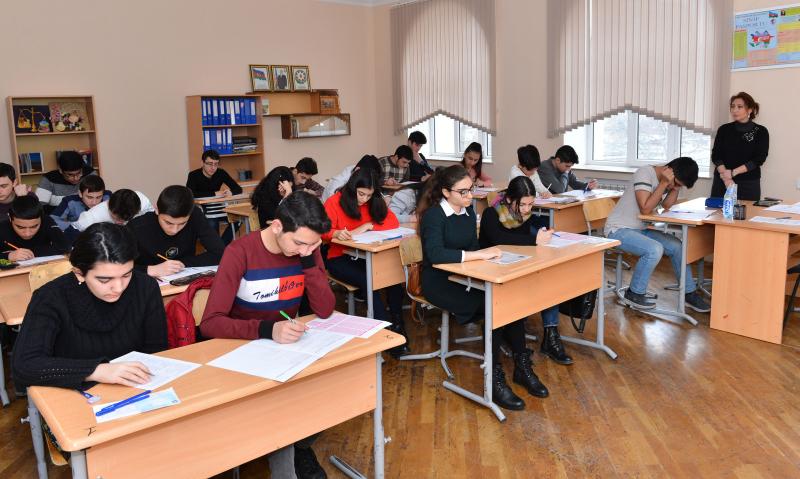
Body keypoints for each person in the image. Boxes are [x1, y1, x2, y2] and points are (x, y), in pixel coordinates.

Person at [200, 191, 334, 479]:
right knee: (281, 406)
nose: (304, 250)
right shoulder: (240, 252)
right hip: (242, 352)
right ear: (276, 226)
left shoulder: (307, 251)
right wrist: (266, 329)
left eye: (312, 245)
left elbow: (324, 309)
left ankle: (298, 446)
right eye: (299, 243)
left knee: (330, 390)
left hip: (285, 351)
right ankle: (289, 456)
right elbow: (210, 323)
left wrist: (310, 263)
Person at [417, 165, 548, 411]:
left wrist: (490, 261)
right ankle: (494, 378)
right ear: (446, 192)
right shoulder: (435, 216)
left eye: (471, 189)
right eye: (463, 192)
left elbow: (473, 247)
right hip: (439, 282)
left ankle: (522, 366)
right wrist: (478, 256)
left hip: (464, 276)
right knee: (494, 306)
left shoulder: (467, 212)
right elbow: (435, 255)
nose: (470, 196)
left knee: (508, 298)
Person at [12, 222, 167, 391]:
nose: (118, 287)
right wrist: (95, 371)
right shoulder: (50, 297)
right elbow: (24, 365)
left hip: (135, 388)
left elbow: (157, 350)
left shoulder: (146, 287)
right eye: (104, 280)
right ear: (79, 273)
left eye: (126, 275)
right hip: (72, 392)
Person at [479, 176, 572, 365]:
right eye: (522, 204)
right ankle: (509, 335)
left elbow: (522, 245)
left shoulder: (524, 216)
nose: (527, 209)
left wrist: (541, 239)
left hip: (517, 266)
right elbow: (499, 239)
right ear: (509, 199)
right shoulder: (491, 214)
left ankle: (550, 334)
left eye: (530, 204)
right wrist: (534, 240)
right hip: (491, 273)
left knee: (550, 282)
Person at [604, 157, 710, 312]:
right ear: (670, 171)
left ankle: (689, 293)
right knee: (654, 249)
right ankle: (634, 293)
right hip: (618, 229)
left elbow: (666, 205)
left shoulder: (668, 182)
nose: (675, 187)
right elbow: (645, 208)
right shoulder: (644, 173)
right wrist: (664, 183)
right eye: (677, 183)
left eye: (679, 186)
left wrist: (674, 187)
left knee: (677, 246)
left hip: (640, 229)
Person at [322, 168, 408, 356]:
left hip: (366, 256)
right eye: (361, 194)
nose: (364, 199)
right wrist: (336, 233)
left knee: (393, 276)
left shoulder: (372, 201)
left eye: (369, 195)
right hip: (339, 257)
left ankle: (397, 323)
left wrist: (368, 226)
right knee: (370, 280)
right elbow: (323, 231)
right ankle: (385, 333)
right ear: (352, 188)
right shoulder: (335, 201)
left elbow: (392, 222)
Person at [127, 185, 224, 279]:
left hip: (183, 279)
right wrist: (150, 269)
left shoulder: (195, 215)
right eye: (168, 223)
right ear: (157, 209)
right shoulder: (136, 227)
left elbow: (220, 253)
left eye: (182, 223)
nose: (174, 230)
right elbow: (118, 265)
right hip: (149, 282)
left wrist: (182, 263)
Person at [710, 92, 769, 201]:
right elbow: (716, 155)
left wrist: (732, 173)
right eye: (732, 106)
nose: (734, 110)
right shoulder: (724, 129)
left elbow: (759, 159)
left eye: (739, 107)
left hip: (748, 183)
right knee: (717, 210)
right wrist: (726, 178)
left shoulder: (761, 131)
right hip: (722, 181)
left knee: (747, 211)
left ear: (750, 110)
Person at [186, 150, 243, 244]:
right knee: (212, 222)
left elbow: (238, 189)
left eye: (216, 164)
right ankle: (218, 247)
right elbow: (190, 194)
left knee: (238, 220)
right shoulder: (193, 175)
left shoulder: (221, 173)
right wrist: (214, 194)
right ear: (202, 163)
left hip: (219, 207)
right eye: (209, 164)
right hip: (204, 209)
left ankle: (220, 246)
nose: (213, 168)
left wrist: (231, 192)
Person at [1, 195, 69, 261]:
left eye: (34, 226)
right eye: (20, 227)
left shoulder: (46, 221)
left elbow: (64, 247)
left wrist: (30, 252)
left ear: (41, 218)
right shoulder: (2, 227)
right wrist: (9, 256)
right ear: (10, 219)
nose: (27, 234)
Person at [71, 189, 153, 231]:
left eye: (125, 220)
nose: (119, 222)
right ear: (108, 203)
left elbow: (150, 218)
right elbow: (72, 233)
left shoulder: (143, 202)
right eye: (116, 218)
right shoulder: (91, 217)